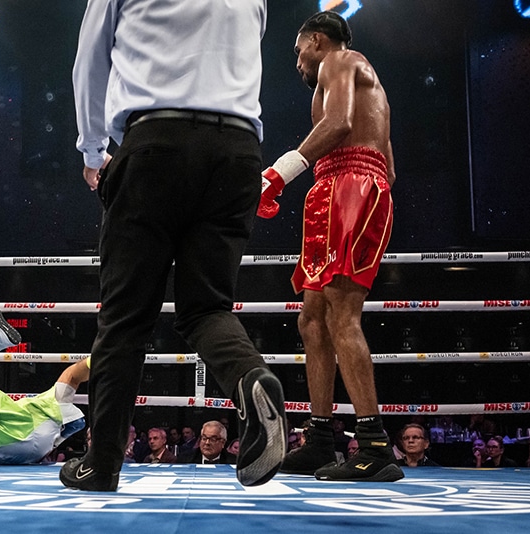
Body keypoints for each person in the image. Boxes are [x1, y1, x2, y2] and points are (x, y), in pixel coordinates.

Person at [62, 0, 287, 492]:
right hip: (239, 151)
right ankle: (251, 380)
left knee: (125, 317)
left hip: (156, 142)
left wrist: (92, 149)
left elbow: (90, 59)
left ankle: (101, 464)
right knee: (207, 306)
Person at [260, 11, 401, 483]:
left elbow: (339, 123)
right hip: (338, 184)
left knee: (342, 315)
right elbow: (389, 165)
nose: (298, 63)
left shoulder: (340, 60)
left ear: (316, 41)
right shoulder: (358, 78)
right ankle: (321, 438)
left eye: (299, 52)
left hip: (351, 186)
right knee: (312, 318)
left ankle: (376, 447)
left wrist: (279, 172)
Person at [0, 297, 88, 465]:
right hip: (2, 439)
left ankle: (105, 358)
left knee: (72, 375)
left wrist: (58, 438)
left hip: (38, 417)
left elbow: (38, 447)